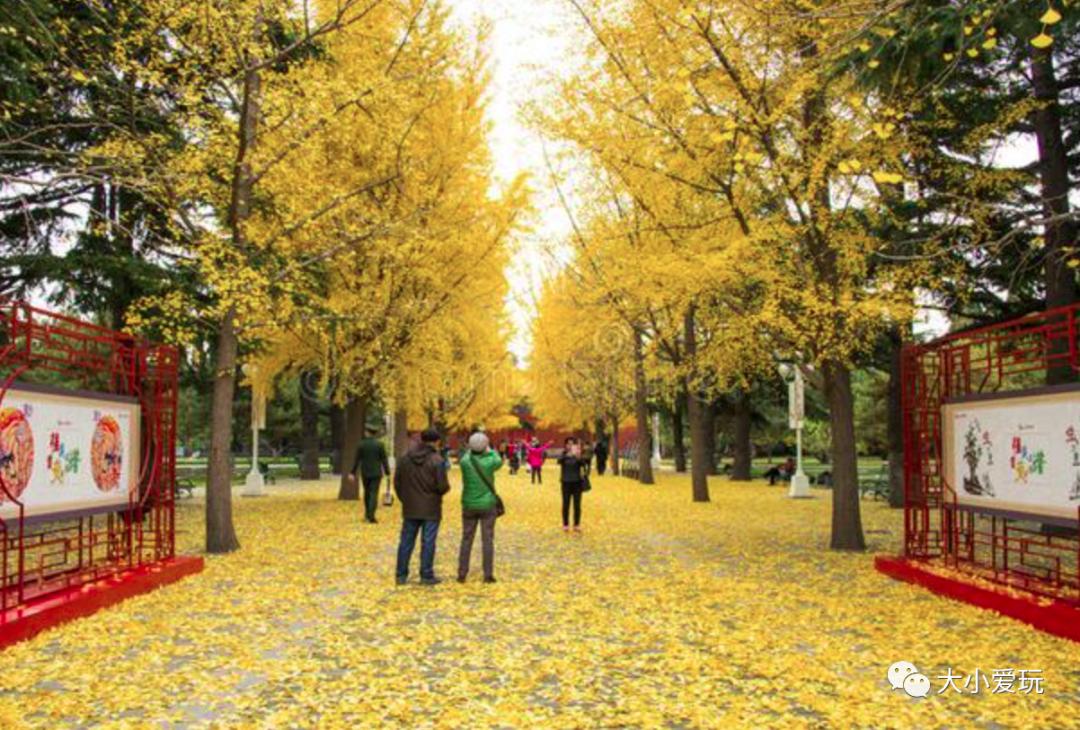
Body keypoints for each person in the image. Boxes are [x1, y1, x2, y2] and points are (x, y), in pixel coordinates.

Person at [393, 429, 451, 585]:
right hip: (431, 507)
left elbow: (397, 482)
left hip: (410, 507)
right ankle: (426, 574)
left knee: (406, 540)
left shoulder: (405, 459)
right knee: (428, 541)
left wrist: (405, 499)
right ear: (436, 441)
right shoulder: (437, 460)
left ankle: (400, 574)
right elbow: (442, 486)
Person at [457, 431, 503, 583]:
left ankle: (462, 573)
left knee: (466, 538)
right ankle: (488, 574)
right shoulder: (491, 461)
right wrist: (490, 450)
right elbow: (499, 460)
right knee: (487, 539)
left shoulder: (465, 461)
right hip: (487, 505)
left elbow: (467, 454)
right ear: (485, 446)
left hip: (469, 504)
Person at [351, 426, 391, 524]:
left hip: (365, 472)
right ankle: (371, 516)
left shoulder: (362, 445)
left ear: (367, 433)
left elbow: (357, 459)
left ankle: (367, 514)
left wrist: (352, 472)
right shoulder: (380, 445)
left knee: (367, 493)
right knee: (374, 493)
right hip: (376, 473)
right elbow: (384, 459)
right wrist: (387, 472)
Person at [557, 437, 589, 533]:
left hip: (577, 482)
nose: (570, 446)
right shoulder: (563, 454)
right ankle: (565, 524)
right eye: (568, 444)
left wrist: (578, 456)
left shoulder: (578, 455)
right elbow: (559, 461)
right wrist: (567, 454)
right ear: (565, 445)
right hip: (566, 482)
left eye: (572, 444)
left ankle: (576, 524)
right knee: (566, 504)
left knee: (577, 504)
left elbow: (583, 465)